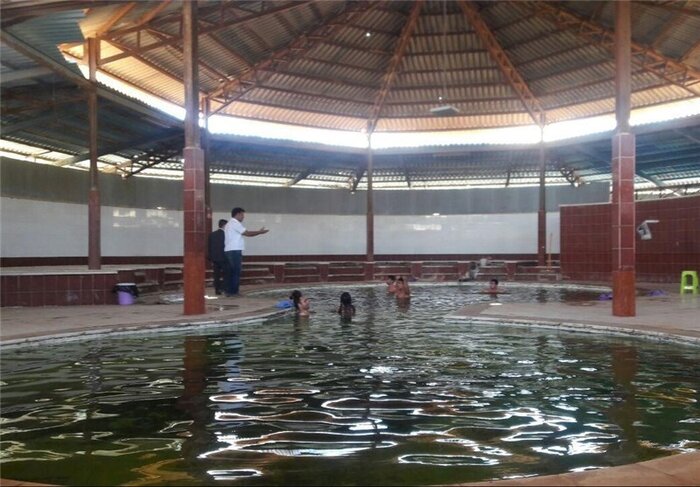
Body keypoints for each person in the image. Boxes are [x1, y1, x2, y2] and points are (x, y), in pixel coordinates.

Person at [224, 207, 269, 297]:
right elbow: (247, 233)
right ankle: (234, 292)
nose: (243, 217)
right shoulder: (235, 223)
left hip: (229, 250)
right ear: (238, 214)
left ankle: (229, 291)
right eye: (242, 215)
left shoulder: (229, 223)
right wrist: (260, 232)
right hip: (234, 250)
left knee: (231, 272)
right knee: (236, 272)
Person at [207, 219, 230, 295]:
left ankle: (217, 290)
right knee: (226, 274)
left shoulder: (212, 234)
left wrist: (210, 257)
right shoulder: (226, 235)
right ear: (224, 225)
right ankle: (224, 288)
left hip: (214, 258)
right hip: (224, 258)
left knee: (216, 275)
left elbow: (209, 247)